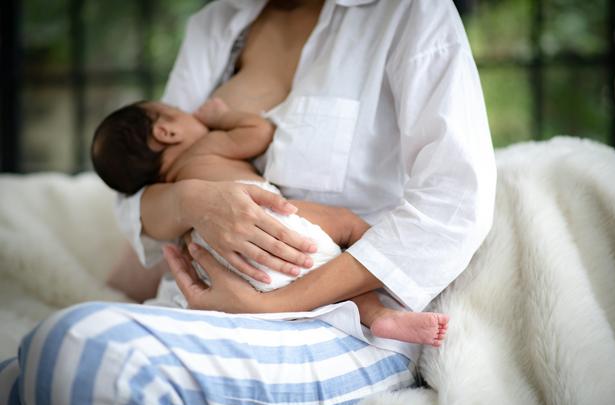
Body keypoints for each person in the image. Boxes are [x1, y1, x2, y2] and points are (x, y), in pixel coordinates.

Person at [0, 0, 496, 405]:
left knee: (78, 351)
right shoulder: (217, 24)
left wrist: (274, 304)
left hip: (340, 325)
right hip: (198, 305)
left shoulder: (407, 13)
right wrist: (194, 199)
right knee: (17, 376)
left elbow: (455, 200)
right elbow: (138, 192)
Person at [90, 96, 450, 345]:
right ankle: (382, 310)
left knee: (321, 274)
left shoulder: (165, 193)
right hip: (265, 221)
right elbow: (258, 132)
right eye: (180, 112)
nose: (192, 115)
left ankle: (372, 315)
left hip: (226, 271)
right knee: (344, 228)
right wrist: (219, 118)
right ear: (167, 131)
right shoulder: (207, 146)